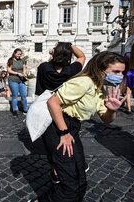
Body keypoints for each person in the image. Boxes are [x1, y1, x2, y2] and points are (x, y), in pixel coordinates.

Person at [29, 51, 126, 202]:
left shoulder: (99, 87)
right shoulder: (84, 82)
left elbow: (106, 119)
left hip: (72, 128)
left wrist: (112, 110)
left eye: (122, 72)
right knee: (70, 185)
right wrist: (64, 132)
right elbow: (52, 102)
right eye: (116, 72)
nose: (120, 76)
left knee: (80, 177)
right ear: (101, 69)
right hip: (58, 126)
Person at [35, 42, 85, 184]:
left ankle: (55, 172)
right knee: (70, 140)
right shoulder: (72, 69)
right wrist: (70, 45)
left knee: (51, 145)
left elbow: (39, 92)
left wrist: (53, 54)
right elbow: (81, 56)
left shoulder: (44, 68)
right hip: (67, 111)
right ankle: (73, 167)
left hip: (48, 111)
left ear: (54, 53)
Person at [7, 48, 29, 117]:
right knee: (15, 96)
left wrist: (24, 73)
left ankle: (25, 109)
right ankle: (15, 110)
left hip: (21, 80)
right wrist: (17, 73)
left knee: (24, 95)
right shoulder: (10, 60)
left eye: (20, 54)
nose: (19, 55)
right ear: (14, 53)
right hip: (13, 80)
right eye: (18, 54)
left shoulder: (22, 60)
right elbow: (8, 70)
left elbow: (24, 68)